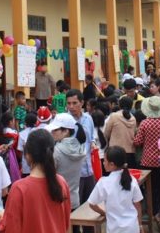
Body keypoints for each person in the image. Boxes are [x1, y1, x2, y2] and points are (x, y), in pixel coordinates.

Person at [0, 129, 72, 233]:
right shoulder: (61, 182)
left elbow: (11, 229)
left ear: (28, 155)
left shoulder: (19, 188)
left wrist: (2, 218)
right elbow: (65, 223)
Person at [88, 146, 144, 233]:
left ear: (112, 164)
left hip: (115, 228)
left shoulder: (104, 182)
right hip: (132, 226)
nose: (103, 163)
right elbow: (138, 205)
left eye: (105, 160)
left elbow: (92, 203)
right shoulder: (131, 179)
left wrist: (104, 213)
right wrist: (140, 225)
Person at [65, 89, 96, 222]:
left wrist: (93, 143)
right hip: (73, 173)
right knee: (74, 210)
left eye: (74, 103)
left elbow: (92, 137)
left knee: (90, 207)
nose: (71, 107)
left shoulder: (88, 118)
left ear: (82, 103)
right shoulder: (64, 121)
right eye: (69, 103)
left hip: (89, 169)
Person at [134, 96, 160, 211]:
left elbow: (137, 142)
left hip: (147, 160)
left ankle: (152, 210)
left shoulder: (144, 123)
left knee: (151, 188)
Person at [47, 112, 86, 211]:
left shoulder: (56, 151)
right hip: (74, 200)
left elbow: (49, 176)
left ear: (66, 131)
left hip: (58, 201)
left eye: (55, 129)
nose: (52, 132)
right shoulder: (81, 147)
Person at [104, 96, 138, 167]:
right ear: (131, 106)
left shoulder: (114, 116)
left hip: (114, 152)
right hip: (130, 152)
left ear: (119, 105)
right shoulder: (133, 118)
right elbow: (135, 133)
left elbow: (106, 133)